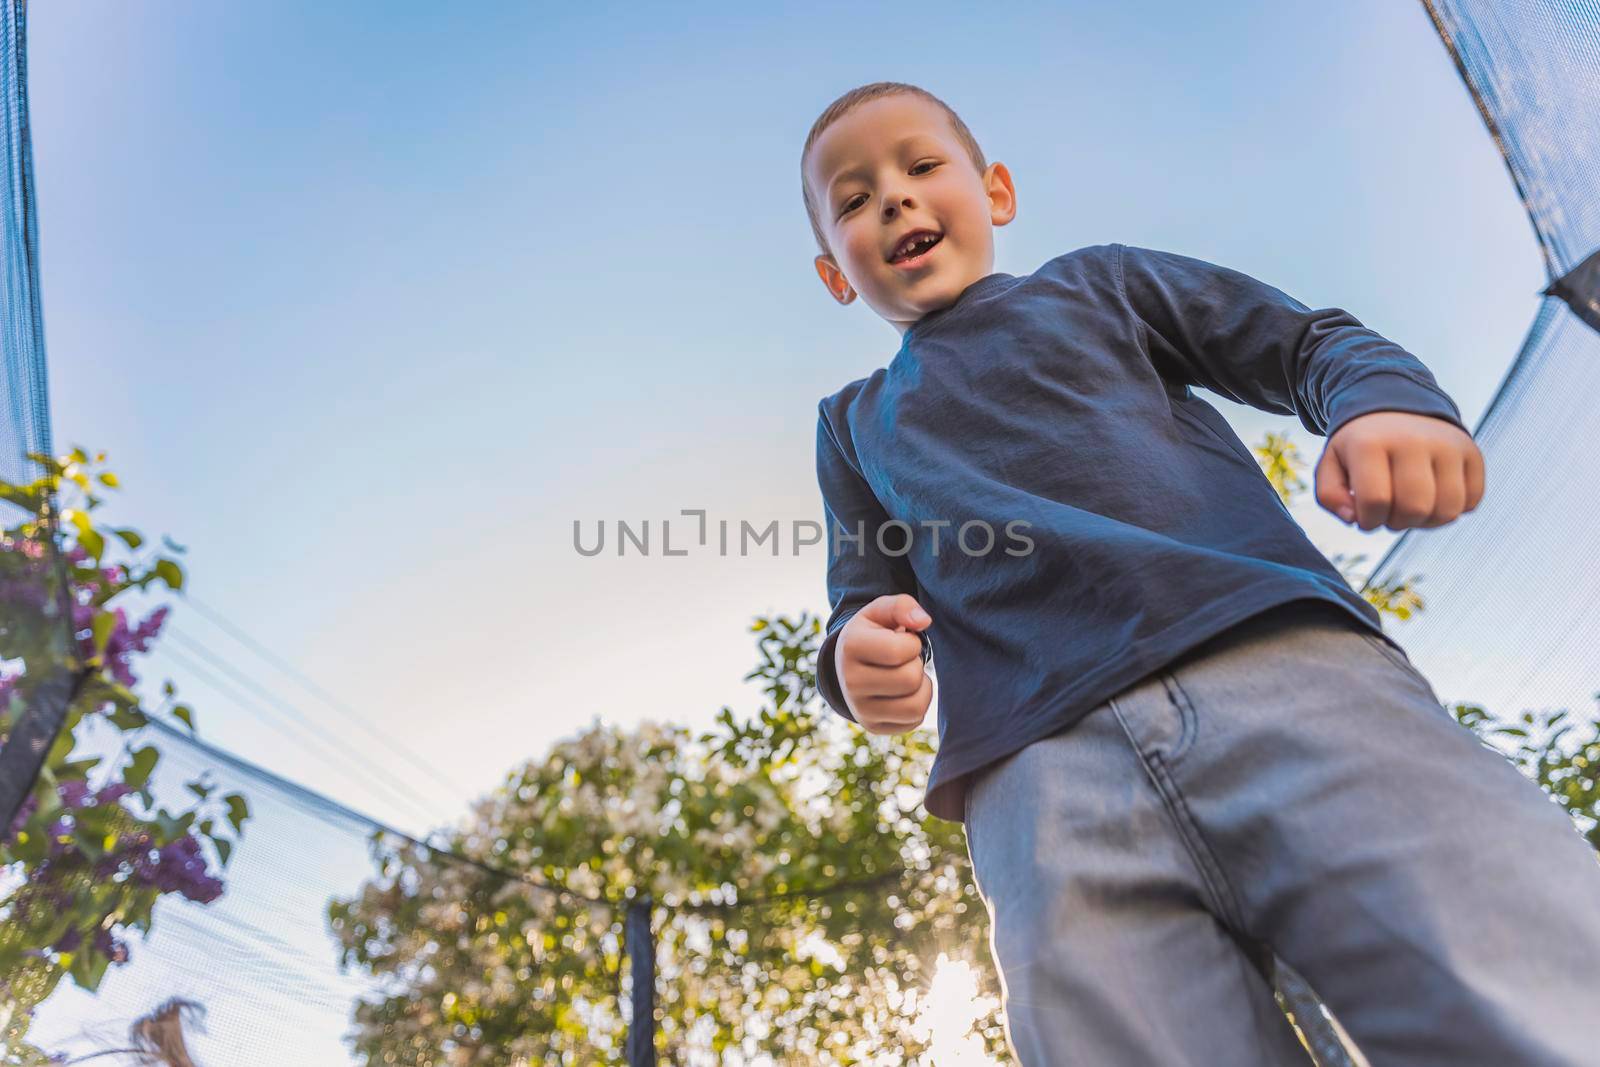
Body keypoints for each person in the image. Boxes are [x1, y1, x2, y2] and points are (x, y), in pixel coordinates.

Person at [803, 80, 1600, 1066]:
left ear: (995, 191)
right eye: (852, 197)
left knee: (1520, 983)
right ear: (834, 274)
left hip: (1278, 674)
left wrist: (1385, 401)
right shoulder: (850, 423)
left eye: (921, 167)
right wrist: (850, 658)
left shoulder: (1103, 284)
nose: (891, 198)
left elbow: (1305, 343)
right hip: (1038, 784)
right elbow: (859, 592)